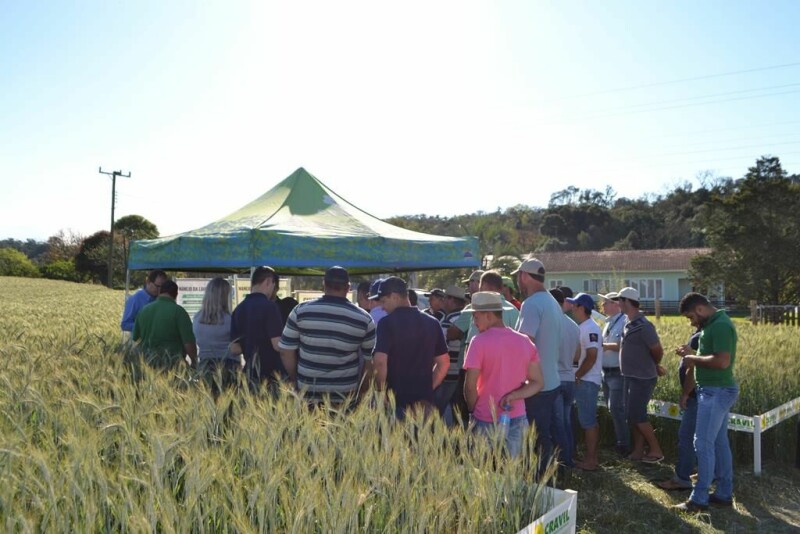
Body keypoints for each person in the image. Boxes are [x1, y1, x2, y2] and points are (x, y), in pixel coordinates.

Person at [673, 293, 739, 513]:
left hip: (716, 392)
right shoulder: (713, 325)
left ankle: (699, 499)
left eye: (691, 317)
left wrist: (691, 359)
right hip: (712, 391)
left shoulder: (719, 326)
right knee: (719, 444)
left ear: (700, 309)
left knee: (702, 444)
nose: (691, 322)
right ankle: (722, 494)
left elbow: (722, 361)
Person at [279, 266, 376, 405]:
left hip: (307, 395)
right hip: (345, 398)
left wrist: (296, 379)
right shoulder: (364, 319)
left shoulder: (300, 311)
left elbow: (285, 351)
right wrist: (361, 392)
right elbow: (369, 363)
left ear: (323, 284)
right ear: (348, 288)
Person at [463, 292, 544, 458]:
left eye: (476, 316)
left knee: (481, 472)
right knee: (511, 475)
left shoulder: (478, 342)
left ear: (489, 315)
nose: (474, 321)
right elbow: (537, 382)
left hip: (485, 416)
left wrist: (473, 409)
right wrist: (514, 395)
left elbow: (470, 387)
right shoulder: (525, 342)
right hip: (517, 417)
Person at [365, 276, 449, 419]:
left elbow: (379, 361)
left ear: (395, 297)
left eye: (384, 301)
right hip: (424, 406)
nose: (383, 307)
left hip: (395, 404)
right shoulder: (432, 323)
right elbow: (444, 363)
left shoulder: (386, 323)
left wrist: (380, 392)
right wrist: (428, 389)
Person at [514, 257, 562, 469]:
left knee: (534, 436)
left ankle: (538, 480)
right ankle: (548, 475)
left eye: (518, 276)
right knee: (544, 434)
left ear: (524, 276)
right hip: (551, 380)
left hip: (535, 384)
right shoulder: (551, 301)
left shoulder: (531, 304)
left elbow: (525, 345)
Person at [618, 287, 666, 463]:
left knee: (636, 415)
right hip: (631, 376)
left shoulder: (644, 325)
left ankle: (656, 450)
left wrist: (654, 364)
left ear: (627, 301)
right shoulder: (629, 322)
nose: (618, 304)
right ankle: (638, 451)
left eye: (620, 300)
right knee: (634, 416)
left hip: (642, 377)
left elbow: (657, 349)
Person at [658, 328, 701, 491]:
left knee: (687, 437)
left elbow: (694, 368)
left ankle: (682, 478)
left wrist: (686, 393)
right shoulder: (706, 333)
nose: (689, 321)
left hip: (695, 396)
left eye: (691, 316)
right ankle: (705, 471)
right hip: (699, 396)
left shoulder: (702, 336)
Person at [230, 266, 284, 387]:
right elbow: (277, 345)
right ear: (268, 281)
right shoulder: (270, 307)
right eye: (274, 287)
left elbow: (234, 349)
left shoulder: (238, 309)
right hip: (270, 376)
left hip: (248, 375)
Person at [568, 293, 604, 471]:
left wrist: (577, 376)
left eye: (575, 306)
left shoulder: (590, 328)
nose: (572, 309)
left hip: (587, 381)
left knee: (587, 421)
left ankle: (591, 461)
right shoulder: (585, 326)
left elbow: (591, 357)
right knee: (586, 420)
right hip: (584, 379)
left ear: (582, 308)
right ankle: (590, 458)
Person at [132, 280, 197, 368]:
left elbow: (135, 338)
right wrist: (194, 361)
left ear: (160, 292)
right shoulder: (179, 312)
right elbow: (188, 343)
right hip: (173, 365)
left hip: (147, 363)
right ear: (176, 294)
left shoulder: (144, 310)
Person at [550, 288, 580, 468]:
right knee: (567, 422)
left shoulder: (551, 324)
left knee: (558, 425)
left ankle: (566, 462)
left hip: (556, 379)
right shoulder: (573, 325)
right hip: (570, 377)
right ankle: (570, 455)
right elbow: (577, 356)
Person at [192, 277, 241, 390]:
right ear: (225, 297)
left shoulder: (197, 318)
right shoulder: (230, 320)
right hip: (229, 366)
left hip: (204, 366)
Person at [599, 291, 629, 455]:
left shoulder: (624, 322)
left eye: (606, 302)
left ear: (616, 304)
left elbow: (622, 346)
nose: (603, 305)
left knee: (617, 408)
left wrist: (603, 345)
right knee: (614, 409)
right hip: (607, 371)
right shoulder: (609, 323)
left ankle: (623, 444)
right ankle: (620, 440)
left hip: (617, 372)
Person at [436, 285, 467, 423]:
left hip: (447, 372)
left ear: (451, 300)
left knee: (438, 409)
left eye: (444, 298)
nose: (442, 301)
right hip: (457, 371)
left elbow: (439, 345)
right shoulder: (462, 318)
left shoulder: (450, 321)